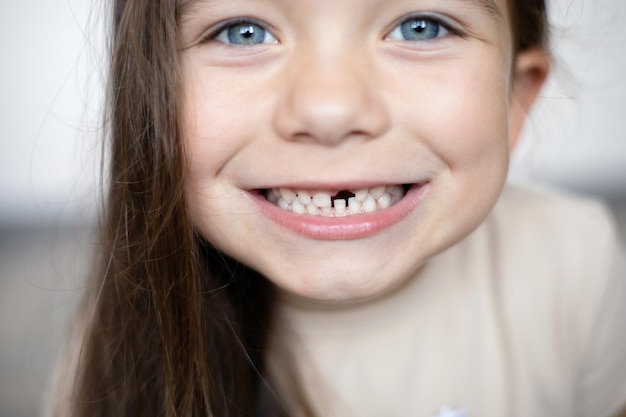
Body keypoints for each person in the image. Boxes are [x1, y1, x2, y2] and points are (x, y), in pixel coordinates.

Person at [49, 0, 626, 416]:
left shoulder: (578, 258)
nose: (330, 109)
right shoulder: (118, 349)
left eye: (420, 27)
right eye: (242, 31)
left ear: (513, 100)